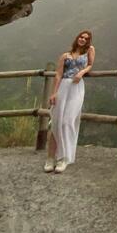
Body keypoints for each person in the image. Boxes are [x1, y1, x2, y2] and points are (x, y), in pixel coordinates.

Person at [44, 30, 95, 173]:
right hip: (63, 87)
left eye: (86, 38)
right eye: (81, 36)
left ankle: (63, 158)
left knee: (67, 122)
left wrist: (81, 72)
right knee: (56, 122)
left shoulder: (90, 50)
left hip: (77, 88)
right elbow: (59, 74)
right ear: (77, 37)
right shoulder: (65, 56)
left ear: (88, 41)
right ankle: (50, 158)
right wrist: (54, 93)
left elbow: (90, 64)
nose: (83, 39)